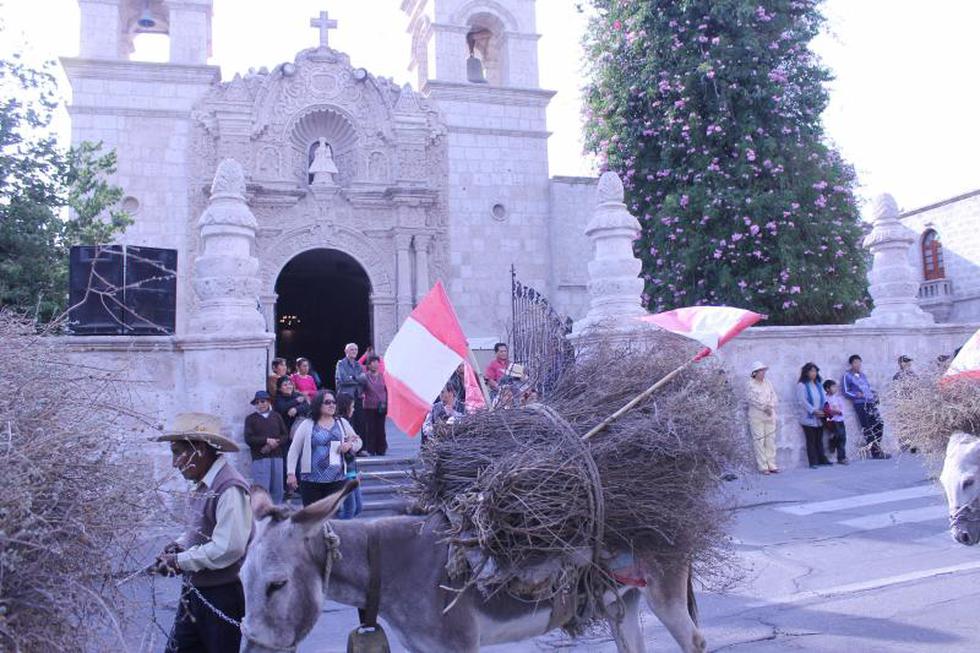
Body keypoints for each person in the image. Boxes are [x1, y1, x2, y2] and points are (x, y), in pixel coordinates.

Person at [150, 413, 251, 653]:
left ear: (200, 450)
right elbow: (200, 528)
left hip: (222, 593)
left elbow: (229, 547)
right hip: (196, 590)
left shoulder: (230, 488)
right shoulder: (203, 484)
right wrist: (179, 545)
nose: (174, 463)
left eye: (177, 453)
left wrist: (180, 561)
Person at [286, 390, 362, 506]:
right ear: (318, 404)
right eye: (327, 402)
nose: (332, 405)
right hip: (311, 480)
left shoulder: (341, 423)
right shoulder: (308, 424)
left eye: (333, 402)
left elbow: (358, 441)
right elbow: (294, 450)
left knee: (332, 517)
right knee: (312, 518)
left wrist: (349, 445)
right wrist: (291, 473)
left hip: (337, 479)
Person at [842, 354, 890, 459]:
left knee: (879, 423)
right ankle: (876, 452)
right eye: (855, 362)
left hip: (870, 402)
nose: (858, 364)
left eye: (859, 362)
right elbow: (845, 391)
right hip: (860, 404)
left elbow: (867, 388)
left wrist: (874, 394)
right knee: (868, 427)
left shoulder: (862, 375)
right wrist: (855, 395)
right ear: (851, 364)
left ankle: (876, 447)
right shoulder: (847, 376)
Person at [796, 362, 832, 469]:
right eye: (811, 371)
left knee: (819, 439)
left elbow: (824, 398)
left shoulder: (818, 384)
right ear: (806, 372)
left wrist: (824, 410)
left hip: (820, 417)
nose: (814, 373)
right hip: (808, 417)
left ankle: (822, 459)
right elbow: (802, 401)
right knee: (811, 440)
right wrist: (813, 411)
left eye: (815, 371)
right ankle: (813, 461)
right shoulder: (801, 385)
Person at [335, 393, 364, 520]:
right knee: (350, 509)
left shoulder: (344, 422)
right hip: (344, 472)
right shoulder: (341, 422)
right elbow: (357, 443)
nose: (354, 409)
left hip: (352, 470)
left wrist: (351, 443)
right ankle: (337, 530)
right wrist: (351, 443)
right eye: (352, 406)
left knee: (357, 507)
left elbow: (357, 441)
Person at [747, 361, 779, 475]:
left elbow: (774, 396)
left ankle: (772, 464)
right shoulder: (750, 384)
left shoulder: (768, 383)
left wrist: (770, 406)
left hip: (770, 415)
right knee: (759, 441)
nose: (763, 373)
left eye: (764, 370)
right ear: (754, 373)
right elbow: (752, 398)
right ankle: (763, 466)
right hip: (757, 416)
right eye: (760, 371)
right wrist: (764, 407)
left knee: (770, 441)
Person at [335, 343, 367, 433]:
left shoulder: (358, 365)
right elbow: (344, 379)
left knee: (360, 422)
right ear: (346, 351)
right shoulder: (340, 364)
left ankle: (360, 445)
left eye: (355, 349)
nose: (354, 351)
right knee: (347, 422)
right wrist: (357, 378)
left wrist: (352, 377)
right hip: (346, 397)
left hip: (358, 396)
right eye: (351, 349)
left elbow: (364, 379)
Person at [361, 354, 388, 456]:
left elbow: (387, 390)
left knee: (381, 428)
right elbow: (360, 390)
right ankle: (370, 449)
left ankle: (381, 449)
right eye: (373, 363)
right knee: (370, 428)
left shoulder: (383, 376)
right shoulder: (364, 377)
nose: (375, 365)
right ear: (369, 364)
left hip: (381, 406)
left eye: (377, 363)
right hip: (369, 406)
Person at [822, 380, 849, 465]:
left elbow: (842, 409)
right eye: (833, 387)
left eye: (835, 387)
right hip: (831, 421)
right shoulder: (825, 399)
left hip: (840, 420)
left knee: (842, 438)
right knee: (837, 435)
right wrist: (831, 412)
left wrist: (839, 412)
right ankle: (832, 442)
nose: (835, 388)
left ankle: (841, 457)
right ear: (827, 389)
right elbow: (826, 409)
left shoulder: (838, 398)